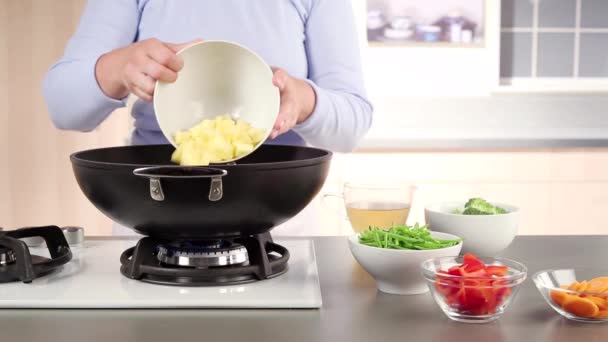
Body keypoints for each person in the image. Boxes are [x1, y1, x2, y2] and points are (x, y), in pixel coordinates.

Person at [43, 0, 373, 236]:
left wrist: (304, 102)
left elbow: (352, 126)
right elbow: (63, 106)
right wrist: (117, 67)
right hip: (151, 212)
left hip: (279, 214)